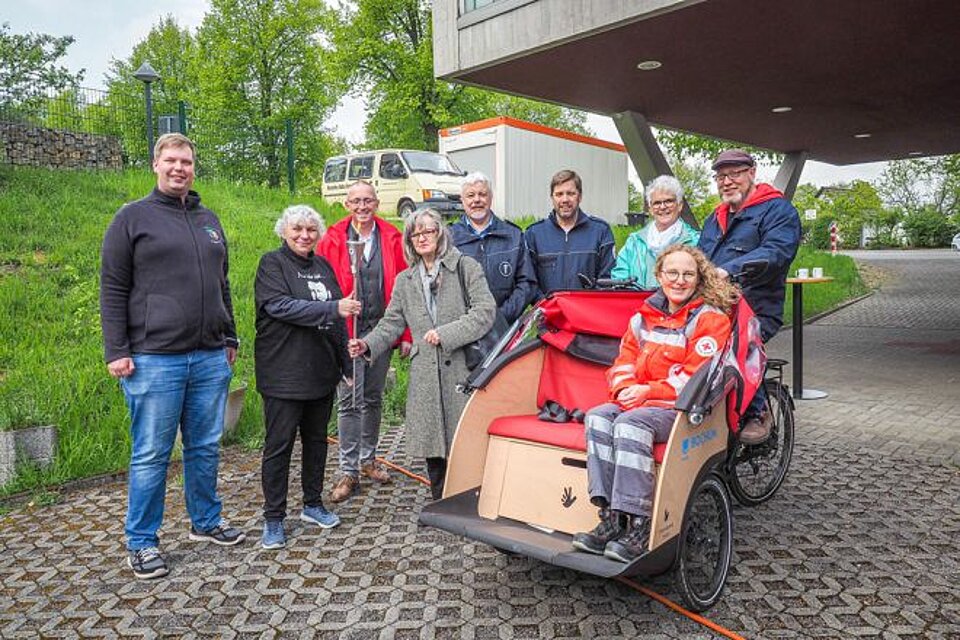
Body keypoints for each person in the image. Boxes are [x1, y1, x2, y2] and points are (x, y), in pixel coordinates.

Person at [100, 133, 245, 580]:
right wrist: (117, 350)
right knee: (152, 454)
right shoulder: (131, 219)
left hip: (208, 356)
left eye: (186, 161)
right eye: (171, 160)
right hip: (154, 359)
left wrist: (231, 336)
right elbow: (113, 287)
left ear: (193, 167)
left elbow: (222, 284)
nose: (179, 168)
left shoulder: (208, 219)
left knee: (204, 447)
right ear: (155, 165)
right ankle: (142, 542)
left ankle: (205, 522)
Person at [572, 245, 737, 563]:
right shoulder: (642, 318)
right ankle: (610, 519)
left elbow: (695, 380)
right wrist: (625, 391)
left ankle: (639, 524)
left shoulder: (710, 320)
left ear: (699, 278)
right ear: (659, 275)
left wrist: (646, 392)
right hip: (640, 399)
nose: (679, 280)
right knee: (597, 417)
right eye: (672, 273)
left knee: (630, 425)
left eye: (688, 274)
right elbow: (622, 363)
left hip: (679, 409)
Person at [347, 209, 495, 500]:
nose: (422, 237)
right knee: (432, 442)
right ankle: (440, 501)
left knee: (465, 439)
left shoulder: (465, 267)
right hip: (425, 371)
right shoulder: (406, 280)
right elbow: (391, 323)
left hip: (462, 369)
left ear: (440, 233)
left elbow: (485, 311)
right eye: (416, 233)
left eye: (429, 231)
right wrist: (367, 344)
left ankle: (472, 500)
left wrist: (447, 333)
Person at [254, 205, 362, 549]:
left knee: (316, 443)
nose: (304, 235)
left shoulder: (322, 266)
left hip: (319, 373)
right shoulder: (272, 264)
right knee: (279, 447)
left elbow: (335, 321)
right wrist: (334, 307)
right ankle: (274, 518)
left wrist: (346, 365)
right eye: (297, 229)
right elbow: (279, 306)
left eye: (311, 230)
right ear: (284, 231)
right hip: (283, 373)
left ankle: (313, 504)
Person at [698, 149, 801, 444]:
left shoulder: (777, 211)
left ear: (752, 172)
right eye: (721, 176)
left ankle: (757, 412)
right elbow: (700, 258)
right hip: (714, 306)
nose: (727, 182)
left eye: (735, 174)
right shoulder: (714, 219)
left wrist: (728, 271)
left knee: (737, 343)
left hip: (756, 308)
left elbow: (776, 252)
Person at [318, 181, 412, 502]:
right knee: (349, 400)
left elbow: (405, 291)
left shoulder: (392, 237)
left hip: (381, 330)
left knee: (372, 397)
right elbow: (322, 286)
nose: (362, 206)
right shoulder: (332, 239)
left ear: (376, 202)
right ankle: (348, 470)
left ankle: (368, 458)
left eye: (368, 200)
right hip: (348, 330)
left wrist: (406, 334)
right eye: (356, 201)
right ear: (346, 204)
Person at [450, 172, 537, 325]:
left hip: (505, 327)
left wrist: (501, 317)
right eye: (470, 195)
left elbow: (527, 283)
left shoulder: (513, 235)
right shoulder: (449, 238)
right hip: (462, 328)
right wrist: (468, 322)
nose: (477, 199)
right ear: (462, 200)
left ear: (491, 197)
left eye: (482, 194)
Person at [524, 169, 616, 297]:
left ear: (580, 196)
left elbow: (607, 279)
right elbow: (529, 281)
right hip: (549, 313)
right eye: (559, 194)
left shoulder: (601, 231)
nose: (565, 199)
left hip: (587, 312)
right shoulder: (534, 234)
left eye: (571, 193)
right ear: (552, 198)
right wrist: (549, 305)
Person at [612, 175, 700, 288]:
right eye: (657, 203)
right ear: (650, 209)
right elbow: (619, 279)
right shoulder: (633, 243)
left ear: (680, 205)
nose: (662, 207)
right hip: (637, 305)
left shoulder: (696, 242)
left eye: (668, 201)